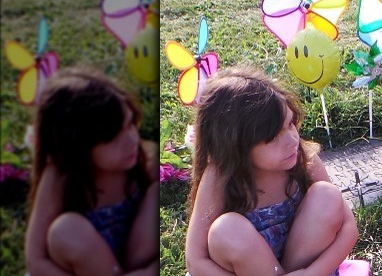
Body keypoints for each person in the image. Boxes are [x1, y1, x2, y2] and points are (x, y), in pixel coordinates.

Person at [184, 65, 359, 276]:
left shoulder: (304, 159)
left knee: (328, 196)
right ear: (237, 146)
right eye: (273, 137)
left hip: (306, 269)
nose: (292, 139)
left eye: (290, 124)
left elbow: (349, 227)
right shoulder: (220, 177)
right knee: (226, 230)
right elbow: (196, 261)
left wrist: (310, 273)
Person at [24, 67, 159, 276]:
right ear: (79, 146)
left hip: (132, 265)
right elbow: (36, 260)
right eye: (114, 138)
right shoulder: (61, 177)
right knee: (66, 231)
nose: (132, 139)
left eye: (131, 123)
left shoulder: (142, 161)